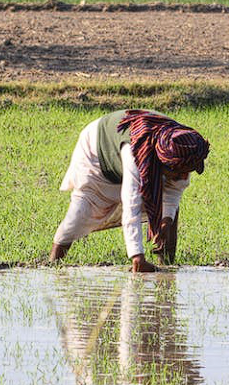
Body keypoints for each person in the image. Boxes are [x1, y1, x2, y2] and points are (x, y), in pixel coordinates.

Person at [50, 109, 209, 272]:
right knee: (82, 210)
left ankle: (167, 266)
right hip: (97, 149)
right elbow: (131, 205)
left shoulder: (182, 147)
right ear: (163, 163)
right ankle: (52, 265)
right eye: (179, 171)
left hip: (139, 152)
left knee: (168, 215)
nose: (184, 176)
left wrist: (165, 221)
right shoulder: (136, 154)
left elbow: (174, 190)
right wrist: (137, 257)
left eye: (188, 170)